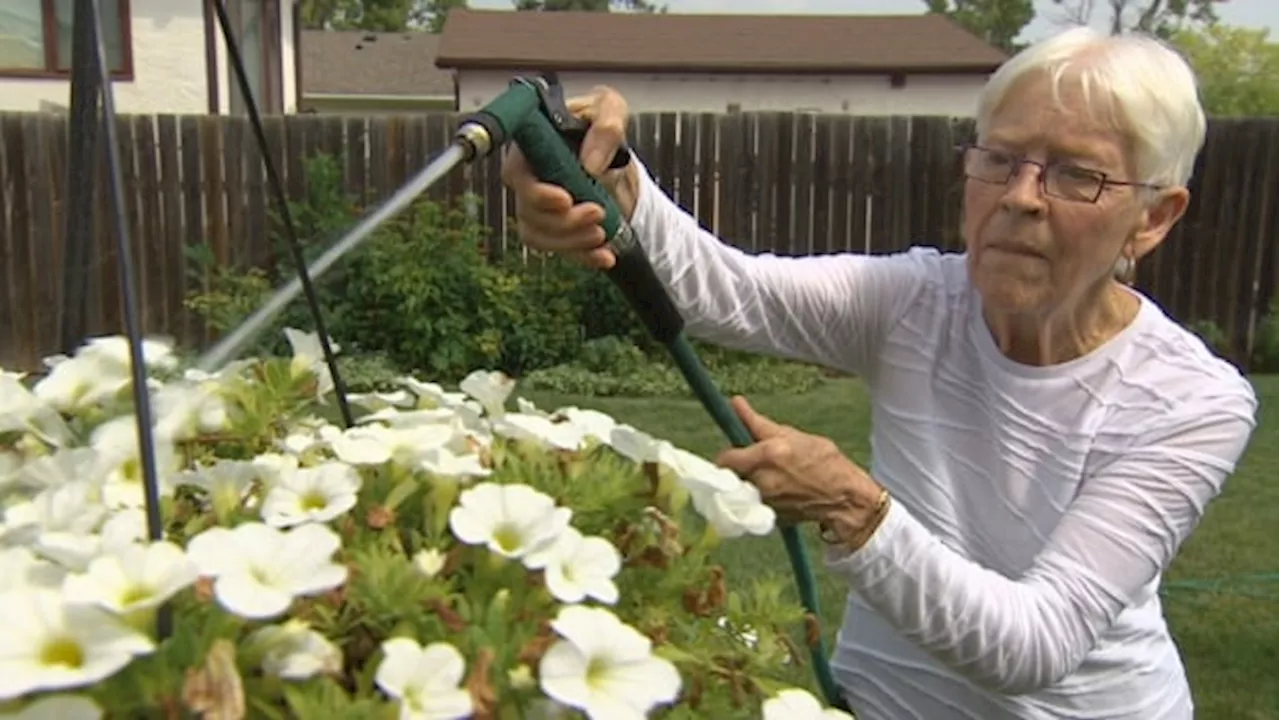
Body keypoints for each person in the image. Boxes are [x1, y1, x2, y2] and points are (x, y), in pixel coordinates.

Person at [500, 26, 1259, 720]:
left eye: (1077, 176)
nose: (1021, 198)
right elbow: (722, 291)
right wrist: (608, 180)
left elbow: (1037, 643)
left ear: (1154, 218)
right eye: (1000, 158)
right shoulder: (914, 304)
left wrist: (855, 509)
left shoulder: (1190, 401)